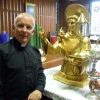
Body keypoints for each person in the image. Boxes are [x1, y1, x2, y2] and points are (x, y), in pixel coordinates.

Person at [40, 5, 91, 87]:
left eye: (73, 23)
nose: (70, 25)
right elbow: (53, 50)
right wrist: (44, 39)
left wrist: (78, 60)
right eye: (69, 23)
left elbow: (88, 56)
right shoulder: (64, 38)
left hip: (78, 73)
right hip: (64, 71)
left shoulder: (84, 39)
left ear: (79, 23)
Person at [0, 13, 46, 100]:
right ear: (13, 28)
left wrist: (39, 89)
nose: (24, 30)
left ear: (33, 32)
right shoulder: (2, 51)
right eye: (20, 26)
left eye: (28, 27)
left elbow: (40, 73)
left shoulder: (35, 51)